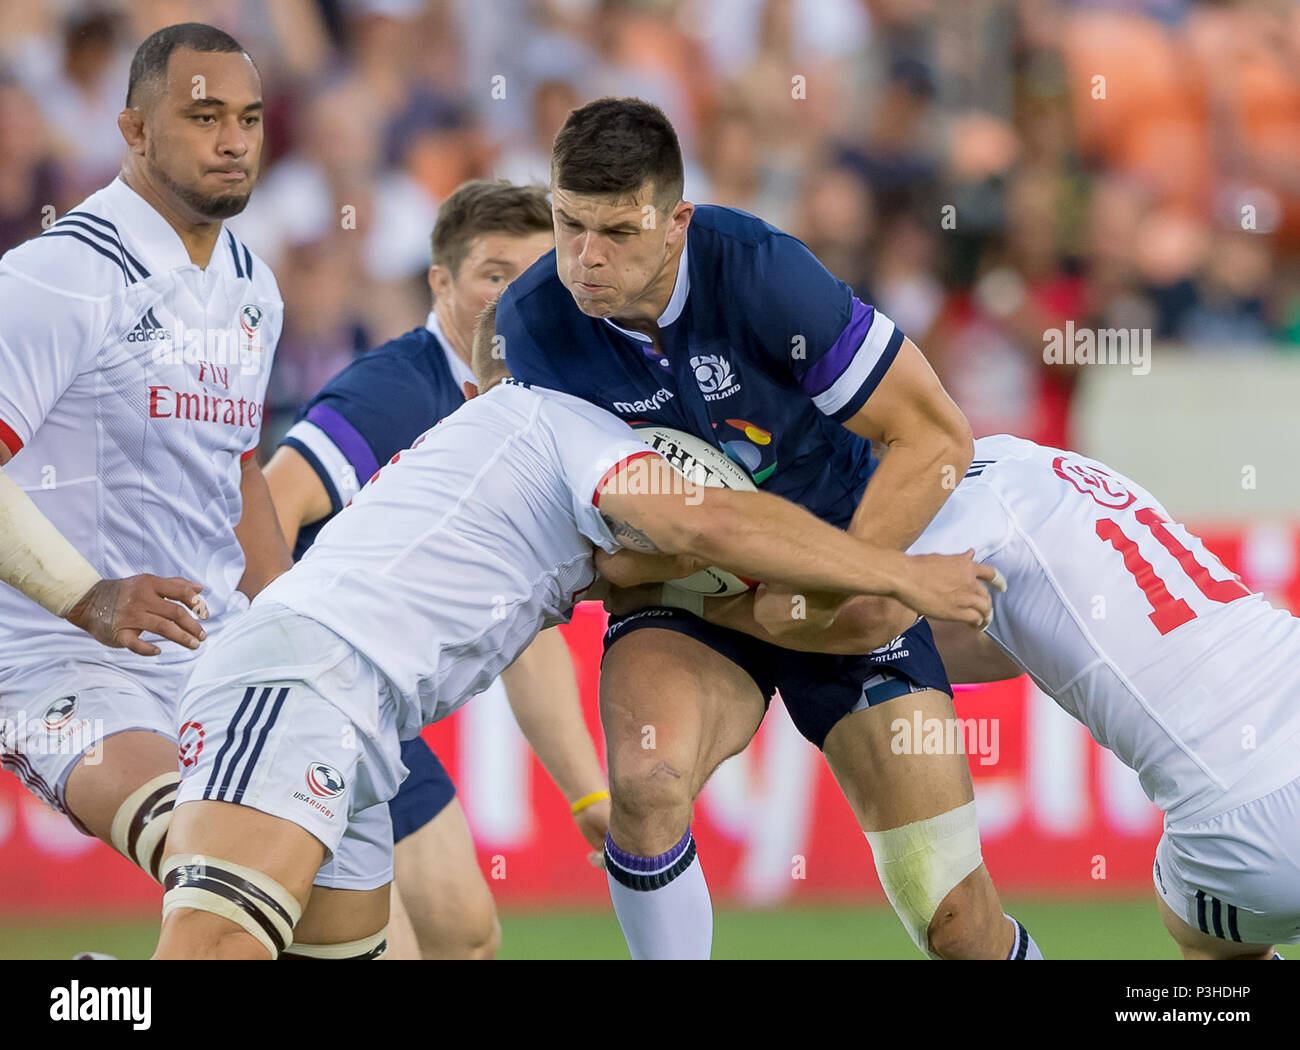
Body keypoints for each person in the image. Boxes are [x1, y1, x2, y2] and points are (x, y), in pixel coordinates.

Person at [152, 301, 998, 959]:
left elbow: (640, 574)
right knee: (218, 945)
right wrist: (899, 571)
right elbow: (709, 526)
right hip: (305, 681)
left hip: (359, 722)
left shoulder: (503, 451)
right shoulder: (557, 421)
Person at [494, 97, 1035, 959]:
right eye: (567, 224)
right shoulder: (532, 328)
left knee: (958, 925)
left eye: (617, 233)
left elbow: (936, 434)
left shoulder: (764, 275)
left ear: (675, 224)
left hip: (839, 563)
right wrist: (644, 574)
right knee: (645, 781)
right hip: (689, 595)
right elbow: (574, 539)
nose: (584, 259)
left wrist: (841, 583)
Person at [711, 434, 1300, 960]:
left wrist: (715, 605)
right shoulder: (1049, 469)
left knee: (1208, 938)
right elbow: (1004, 646)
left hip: (1244, 812)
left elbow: (867, 614)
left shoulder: (956, 498)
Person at [263, 178, 610, 959]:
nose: (514, 298)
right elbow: (268, 503)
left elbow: (527, 630)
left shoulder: (528, 406)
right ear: (441, 282)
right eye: (495, 275)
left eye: (535, 278)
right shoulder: (396, 390)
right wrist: (281, 671)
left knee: (467, 940)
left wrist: (588, 793)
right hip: (313, 702)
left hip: (380, 723)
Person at [0, 23, 288, 888]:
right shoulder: (57, 275)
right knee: (218, 867)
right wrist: (87, 597)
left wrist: (293, 628)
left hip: (216, 654)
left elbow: (238, 472)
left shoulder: (253, 286)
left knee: (338, 921)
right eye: (204, 118)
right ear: (133, 131)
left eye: (249, 117)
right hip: (59, 661)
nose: (234, 140)